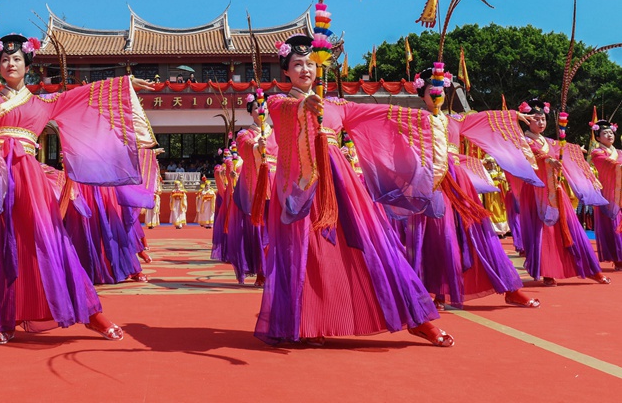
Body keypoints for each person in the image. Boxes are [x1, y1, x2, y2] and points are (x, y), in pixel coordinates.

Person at [0, 34, 156, 344]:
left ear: (27, 67)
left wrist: (125, 84)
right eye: (5, 60)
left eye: (17, 60)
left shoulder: (43, 103)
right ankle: (4, 317)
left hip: (27, 178)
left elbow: (85, 95)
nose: (10, 64)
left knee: (49, 244)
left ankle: (91, 314)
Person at [255, 35, 451, 347]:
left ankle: (417, 318)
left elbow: (381, 116)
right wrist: (304, 107)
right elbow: (283, 117)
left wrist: (427, 117)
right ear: (286, 72)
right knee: (307, 253)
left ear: (318, 68)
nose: (304, 69)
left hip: (341, 183)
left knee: (378, 246)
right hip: (301, 184)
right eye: (296, 65)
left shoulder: (337, 106)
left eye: (309, 64)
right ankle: (310, 322)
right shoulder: (279, 103)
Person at [396, 68, 541, 309]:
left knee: (482, 234)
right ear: (422, 94)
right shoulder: (412, 119)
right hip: (431, 183)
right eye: (432, 91)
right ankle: (437, 292)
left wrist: (512, 115)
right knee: (437, 236)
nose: (437, 95)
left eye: (441, 91)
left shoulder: (455, 120)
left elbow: (484, 118)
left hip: (459, 183)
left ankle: (510, 288)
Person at [509, 99, 610, 286]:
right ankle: (548, 271)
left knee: (573, 229)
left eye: (543, 119)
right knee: (544, 232)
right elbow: (531, 155)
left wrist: (575, 152)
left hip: (556, 190)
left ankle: (590, 268)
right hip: (536, 192)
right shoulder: (523, 141)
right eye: (536, 119)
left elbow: (564, 150)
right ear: (527, 121)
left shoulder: (548, 141)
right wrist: (548, 160)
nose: (541, 122)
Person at [229, 94, 276, 286]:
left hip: (276, 183)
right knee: (260, 229)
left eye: (263, 106)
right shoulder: (245, 134)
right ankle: (262, 270)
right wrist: (257, 146)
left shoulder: (278, 132)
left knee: (277, 228)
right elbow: (245, 147)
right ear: (250, 112)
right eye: (256, 107)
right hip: (256, 184)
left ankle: (277, 269)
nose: (260, 110)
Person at [587, 120, 622, 270]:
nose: (609, 135)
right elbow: (609, 164)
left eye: (610, 132)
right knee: (613, 226)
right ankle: (618, 258)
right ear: (598, 137)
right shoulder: (597, 153)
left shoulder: (620, 152)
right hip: (608, 194)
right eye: (604, 133)